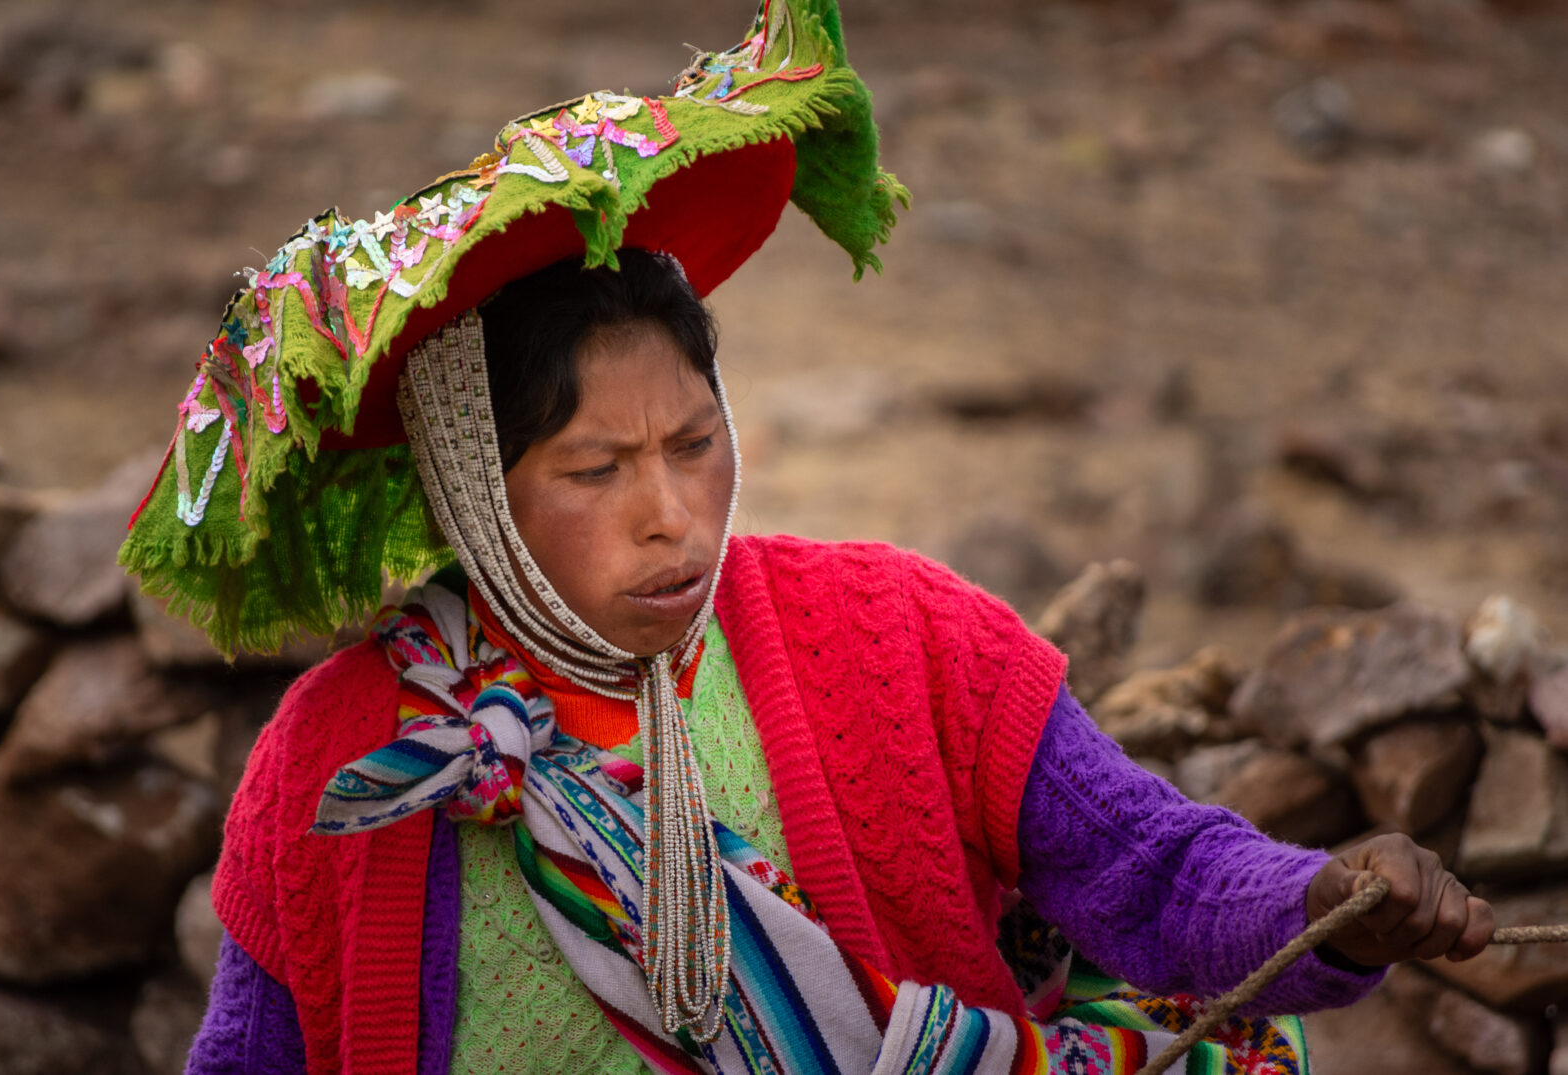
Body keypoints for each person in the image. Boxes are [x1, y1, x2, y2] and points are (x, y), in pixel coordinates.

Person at [120, 3, 1492, 1073]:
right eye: (596, 468)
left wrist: (1322, 895)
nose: (671, 514)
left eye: (696, 446)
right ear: (479, 492)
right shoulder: (342, 762)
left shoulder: (895, 640)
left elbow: (1147, 868)